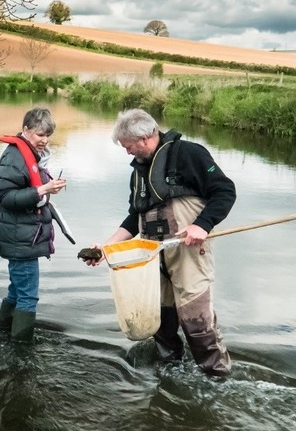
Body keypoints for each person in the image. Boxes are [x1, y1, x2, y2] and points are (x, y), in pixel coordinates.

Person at [85, 108, 236, 378]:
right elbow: (135, 217)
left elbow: (224, 191)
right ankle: (172, 371)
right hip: (153, 256)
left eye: (128, 146)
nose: (127, 152)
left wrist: (203, 225)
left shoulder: (191, 154)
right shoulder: (139, 172)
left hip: (188, 252)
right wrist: (106, 249)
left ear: (144, 138)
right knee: (161, 321)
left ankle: (217, 379)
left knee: (196, 322)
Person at [0, 107, 68, 342]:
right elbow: (4, 196)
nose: (44, 140)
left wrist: (46, 187)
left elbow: (25, 189)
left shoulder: (29, 155)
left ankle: (1, 333)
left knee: (16, 292)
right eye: (39, 135)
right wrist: (43, 189)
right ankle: (21, 348)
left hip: (23, 238)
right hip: (20, 241)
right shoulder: (14, 157)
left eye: (47, 135)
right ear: (25, 130)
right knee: (28, 297)